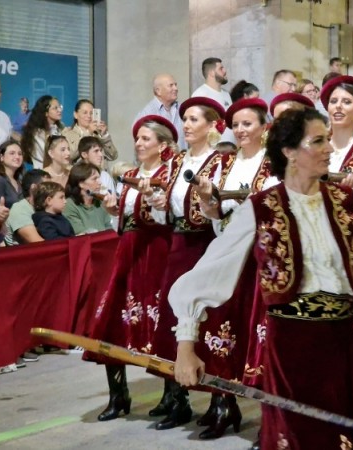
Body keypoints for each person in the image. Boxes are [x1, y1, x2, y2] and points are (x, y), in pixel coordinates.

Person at [170, 107, 353, 449]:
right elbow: (207, 275)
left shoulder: (348, 201)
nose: (329, 148)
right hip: (291, 348)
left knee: (350, 437)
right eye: (318, 141)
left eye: (328, 139)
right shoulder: (259, 208)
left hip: (345, 344)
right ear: (289, 152)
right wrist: (186, 345)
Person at [180, 98, 278, 441]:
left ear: (264, 127)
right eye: (236, 124)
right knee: (222, 326)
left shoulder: (273, 163)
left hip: (261, 257)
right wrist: (210, 200)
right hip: (228, 252)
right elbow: (213, 214)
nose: (240, 130)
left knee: (259, 336)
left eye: (248, 124)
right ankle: (224, 404)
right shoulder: (225, 161)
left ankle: (270, 419)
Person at [83, 114, 174, 423]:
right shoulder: (132, 174)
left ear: (163, 145)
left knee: (161, 324)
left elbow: (167, 218)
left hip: (156, 252)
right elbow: (124, 221)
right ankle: (118, 395)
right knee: (112, 322)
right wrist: (112, 208)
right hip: (129, 252)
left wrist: (151, 196)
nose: (138, 143)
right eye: (137, 138)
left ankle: (173, 397)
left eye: (146, 138)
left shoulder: (168, 175)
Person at [149, 97, 226, 431]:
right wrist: (156, 202)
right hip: (178, 243)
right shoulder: (177, 161)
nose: (187, 124)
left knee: (210, 319)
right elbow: (166, 208)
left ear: (211, 125)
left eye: (194, 119)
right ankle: (176, 396)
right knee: (171, 315)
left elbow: (220, 209)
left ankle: (220, 400)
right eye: (185, 119)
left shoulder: (222, 160)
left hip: (205, 244)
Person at [134, 73, 186, 149]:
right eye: (171, 85)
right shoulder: (146, 114)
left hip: (181, 159)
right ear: (158, 91)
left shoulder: (183, 109)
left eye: (175, 85)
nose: (175, 88)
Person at [63, 163, 116, 235]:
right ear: (81, 183)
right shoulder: (69, 205)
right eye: (94, 179)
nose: (100, 182)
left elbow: (109, 230)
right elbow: (81, 234)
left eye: (99, 178)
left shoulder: (100, 203)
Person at [4, 169, 49, 245]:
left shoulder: (47, 207)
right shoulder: (19, 209)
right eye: (47, 186)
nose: (51, 190)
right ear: (34, 187)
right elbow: (37, 243)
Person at [20, 95, 64, 169]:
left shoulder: (60, 128)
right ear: (46, 113)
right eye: (55, 108)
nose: (59, 110)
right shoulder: (37, 133)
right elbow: (45, 156)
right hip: (42, 172)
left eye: (59, 107)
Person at [0, 140, 24, 209]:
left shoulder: (19, 181)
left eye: (20, 154)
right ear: (1, 157)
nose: (17, 157)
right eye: (12, 153)